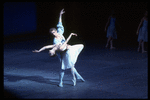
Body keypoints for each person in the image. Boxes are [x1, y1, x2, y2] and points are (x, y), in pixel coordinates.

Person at [33, 9, 85, 87]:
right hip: (62, 54)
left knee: (71, 65)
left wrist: (60, 15)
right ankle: (61, 82)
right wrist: (39, 50)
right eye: (52, 33)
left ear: (55, 31)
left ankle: (77, 76)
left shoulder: (60, 32)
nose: (53, 34)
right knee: (63, 68)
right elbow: (49, 47)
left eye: (54, 32)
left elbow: (60, 23)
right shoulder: (55, 41)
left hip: (67, 51)